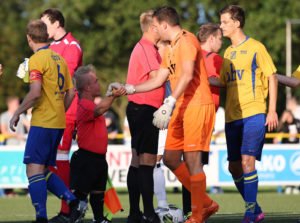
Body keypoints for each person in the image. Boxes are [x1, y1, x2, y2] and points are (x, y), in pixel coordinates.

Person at [122, 6, 218, 223]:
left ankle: (197, 215)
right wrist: (130, 88)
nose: (155, 30)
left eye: (156, 26)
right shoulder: (171, 47)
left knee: (193, 161)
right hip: (180, 106)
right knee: (170, 159)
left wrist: (169, 101)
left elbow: (186, 74)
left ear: (164, 25)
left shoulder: (187, 40)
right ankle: (206, 203)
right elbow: (158, 79)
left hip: (196, 105)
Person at [8, 19, 83, 223]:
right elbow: (71, 92)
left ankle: (41, 216)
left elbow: (34, 93)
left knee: (32, 168)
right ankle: (72, 201)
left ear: (29, 38)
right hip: (58, 122)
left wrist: (17, 113)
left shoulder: (37, 59)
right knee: (43, 169)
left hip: (43, 121)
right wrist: (60, 110)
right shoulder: (58, 58)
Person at [209, 5, 278, 222]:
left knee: (248, 161)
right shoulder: (227, 53)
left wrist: (272, 110)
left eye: (225, 22)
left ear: (237, 23)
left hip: (254, 112)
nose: (221, 26)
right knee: (234, 167)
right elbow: (223, 82)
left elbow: (272, 77)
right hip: (232, 117)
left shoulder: (256, 47)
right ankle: (255, 209)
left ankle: (249, 213)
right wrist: (201, 78)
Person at [40, 8, 83, 222]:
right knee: (45, 162)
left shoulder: (72, 47)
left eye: (45, 24)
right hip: (50, 111)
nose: (42, 29)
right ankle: (74, 203)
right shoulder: (49, 47)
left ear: (57, 23)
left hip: (67, 110)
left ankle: (68, 210)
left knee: (60, 158)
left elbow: (65, 82)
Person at [71, 65, 126, 223]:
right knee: (81, 196)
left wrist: (110, 95)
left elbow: (100, 107)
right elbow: (101, 109)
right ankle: (75, 217)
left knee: (98, 194)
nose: (98, 83)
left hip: (98, 159)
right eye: (95, 81)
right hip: (87, 159)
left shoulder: (89, 104)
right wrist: (113, 96)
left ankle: (99, 218)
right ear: (88, 87)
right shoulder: (85, 105)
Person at [181, 22, 224, 217]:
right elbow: (219, 81)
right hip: (201, 114)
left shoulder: (192, 54)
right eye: (220, 38)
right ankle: (198, 210)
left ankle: (191, 209)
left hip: (190, 112)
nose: (221, 42)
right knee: (196, 165)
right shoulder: (214, 59)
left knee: (190, 163)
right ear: (212, 38)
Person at [125, 9, 164, 223]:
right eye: (159, 25)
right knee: (146, 160)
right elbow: (157, 77)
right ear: (152, 28)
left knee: (138, 160)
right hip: (144, 108)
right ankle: (148, 213)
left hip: (140, 108)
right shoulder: (147, 48)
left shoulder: (148, 47)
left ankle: (135, 213)